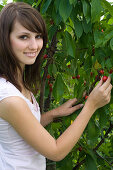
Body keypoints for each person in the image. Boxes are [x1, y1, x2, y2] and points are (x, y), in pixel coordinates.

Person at [0, 2, 112, 170]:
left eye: (38, 36)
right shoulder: (9, 98)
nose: (34, 45)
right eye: (23, 37)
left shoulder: (17, 81)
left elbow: (21, 129)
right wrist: (91, 105)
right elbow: (55, 151)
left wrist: (53, 114)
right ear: (4, 39)